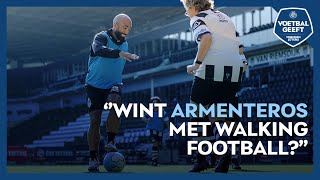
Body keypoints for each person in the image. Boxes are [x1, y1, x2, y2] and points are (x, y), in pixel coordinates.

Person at [180, 0, 246, 173]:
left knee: (197, 112)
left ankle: (201, 160)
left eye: (187, 9)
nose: (187, 12)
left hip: (211, 68)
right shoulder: (225, 17)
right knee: (219, 114)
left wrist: (196, 64)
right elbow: (240, 48)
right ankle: (224, 154)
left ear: (193, 6)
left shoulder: (198, 18)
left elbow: (206, 38)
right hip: (234, 70)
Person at [85, 13, 139, 172]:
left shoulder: (126, 43)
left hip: (114, 83)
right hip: (93, 85)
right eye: (124, 26)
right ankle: (93, 157)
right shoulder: (101, 37)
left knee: (116, 101)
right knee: (95, 119)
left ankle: (111, 141)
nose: (127, 30)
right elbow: (98, 50)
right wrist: (119, 53)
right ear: (115, 25)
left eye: (129, 28)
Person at [142, 96, 169, 166]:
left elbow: (166, 121)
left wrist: (169, 129)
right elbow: (143, 118)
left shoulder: (163, 111)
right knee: (155, 143)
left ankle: (154, 160)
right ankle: (154, 161)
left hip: (160, 130)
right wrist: (147, 120)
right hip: (151, 129)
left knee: (157, 145)